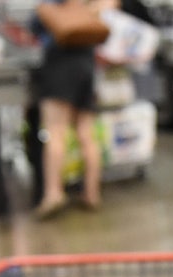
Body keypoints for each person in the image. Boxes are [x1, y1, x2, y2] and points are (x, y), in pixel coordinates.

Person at [31, 0, 110, 219]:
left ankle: (53, 193)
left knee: (56, 133)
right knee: (87, 133)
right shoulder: (89, 5)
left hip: (60, 66)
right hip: (87, 66)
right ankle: (92, 193)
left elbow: (34, 29)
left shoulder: (49, 7)